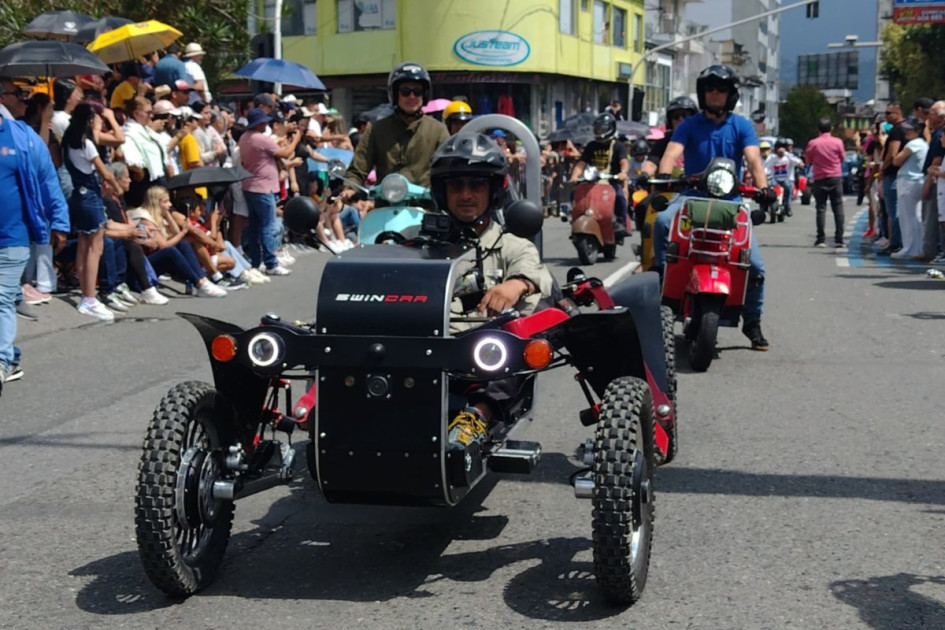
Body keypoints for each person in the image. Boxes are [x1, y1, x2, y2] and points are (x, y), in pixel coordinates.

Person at [428, 132, 553, 447]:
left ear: (493, 192)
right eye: (456, 186)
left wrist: (518, 283)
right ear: (442, 193)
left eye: (476, 186)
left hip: (485, 355)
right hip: (428, 347)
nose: (466, 195)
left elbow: (542, 277)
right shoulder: (421, 244)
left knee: (534, 319)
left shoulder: (513, 245)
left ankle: (476, 418)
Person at [654, 64, 774, 351]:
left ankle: (753, 322)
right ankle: (663, 278)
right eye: (710, 88)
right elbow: (671, 153)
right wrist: (662, 180)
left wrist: (764, 187)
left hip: (730, 202)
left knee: (754, 265)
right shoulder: (689, 125)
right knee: (661, 222)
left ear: (730, 94)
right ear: (702, 93)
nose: (715, 93)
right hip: (691, 197)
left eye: (721, 89)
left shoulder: (742, 125)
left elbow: (754, 160)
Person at [0, 78, 69, 393]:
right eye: (19, 95)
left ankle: (1, 362)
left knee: (0, 298)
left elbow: (48, 180)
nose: (24, 100)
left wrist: (59, 221)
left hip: (13, 237)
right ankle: (10, 356)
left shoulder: (23, 138)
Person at [342, 62, 449, 197]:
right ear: (394, 94)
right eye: (405, 92)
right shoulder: (377, 130)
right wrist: (350, 188)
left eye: (417, 92)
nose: (411, 97)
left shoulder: (438, 130)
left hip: (425, 207)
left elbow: (447, 169)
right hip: (385, 207)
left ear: (425, 95)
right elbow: (358, 169)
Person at [61, 103, 123, 321]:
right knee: (95, 248)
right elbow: (104, 172)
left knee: (83, 245)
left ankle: (86, 291)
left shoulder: (68, 143)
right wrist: (117, 187)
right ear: (88, 121)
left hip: (78, 195)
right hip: (90, 197)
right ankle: (89, 297)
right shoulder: (87, 144)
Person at [129, 186, 227, 297]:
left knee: (183, 244)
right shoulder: (146, 219)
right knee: (170, 251)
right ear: (156, 203)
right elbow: (164, 246)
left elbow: (176, 234)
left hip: (153, 261)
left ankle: (203, 280)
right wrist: (183, 232)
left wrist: (168, 216)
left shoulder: (159, 216)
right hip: (144, 266)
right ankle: (199, 283)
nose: (170, 205)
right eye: (165, 202)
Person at [239, 107, 301, 275]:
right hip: (263, 187)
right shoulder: (260, 138)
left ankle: (256, 261)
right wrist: (295, 140)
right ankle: (271, 263)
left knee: (254, 226)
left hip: (249, 186)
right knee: (268, 225)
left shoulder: (245, 137)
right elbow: (286, 152)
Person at [568, 112, 630, 237]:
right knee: (575, 193)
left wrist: (622, 173)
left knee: (619, 197)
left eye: (602, 129)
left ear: (610, 129)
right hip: (593, 181)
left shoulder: (619, 146)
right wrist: (574, 177)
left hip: (612, 181)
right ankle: (575, 217)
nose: (599, 131)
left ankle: (620, 222)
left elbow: (624, 162)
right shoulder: (591, 146)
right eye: (597, 129)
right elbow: (581, 163)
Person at [804, 118, 846, 247]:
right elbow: (842, 158)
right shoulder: (838, 142)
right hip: (835, 176)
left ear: (818, 130)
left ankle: (820, 238)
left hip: (820, 177)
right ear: (831, 129)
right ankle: (839, 238)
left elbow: (808, 160)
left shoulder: (813, 143)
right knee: (838, 207)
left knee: (821, 208)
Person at [891, 121, 928, 259]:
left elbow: (897, 160)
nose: (907, 132)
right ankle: (918, 248)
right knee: (916, 216)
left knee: (907, 216)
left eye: (910, 130)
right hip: (919, 180)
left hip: (908, 181)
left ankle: (909, 248)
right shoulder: (924, 144)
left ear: (917, 131)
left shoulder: (913, 144)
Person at [879, 103, 906, 255]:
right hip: (898, 175)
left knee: (892, 210)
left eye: (889, 113)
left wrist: (883, 169)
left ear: (897, 113)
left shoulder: (896, 131)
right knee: (893, 210)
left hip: (893, 175)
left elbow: (892, 153)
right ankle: (895, 241)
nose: (886, 115)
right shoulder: (902, 129)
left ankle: (895, 242)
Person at [765, 139, 804, 219]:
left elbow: (798, 161)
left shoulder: (789, 156)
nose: (780, 150)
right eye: (779, 147)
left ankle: (787, 207)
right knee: (769, 188)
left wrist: (800, 164)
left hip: (787, 179)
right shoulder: (771, 157)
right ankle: (766, 205)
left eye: (782, 147)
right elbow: (766, 168)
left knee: (788, 187)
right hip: (775, 179)